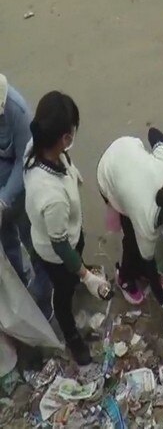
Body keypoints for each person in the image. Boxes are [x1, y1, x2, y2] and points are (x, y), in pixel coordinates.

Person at [23, 91, 111, 365]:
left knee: (73, 268)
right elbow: (60, 244)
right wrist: (86, 276)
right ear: (65, 138)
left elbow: (63, 165)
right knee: (63, 294)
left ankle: (77, 275)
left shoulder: (36, 147)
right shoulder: (52, 197)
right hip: (56, 252)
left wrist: (72, 173)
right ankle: (72, 338)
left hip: (67, 234)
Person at [97, 130, 163, 326]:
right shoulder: (145, 226)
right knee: (131, 239)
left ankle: (137, 269)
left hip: (128, 148)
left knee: (141, 250)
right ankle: (124, 277)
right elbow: (151, 264)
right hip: (109, 172)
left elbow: (153, 134)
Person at [0, 74, 53, 320]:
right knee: (8, 246)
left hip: (17, 194)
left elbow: (24, 162)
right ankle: (19, 291)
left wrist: (4, 199)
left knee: (33, 243)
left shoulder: (18, 112)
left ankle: (44, 300)